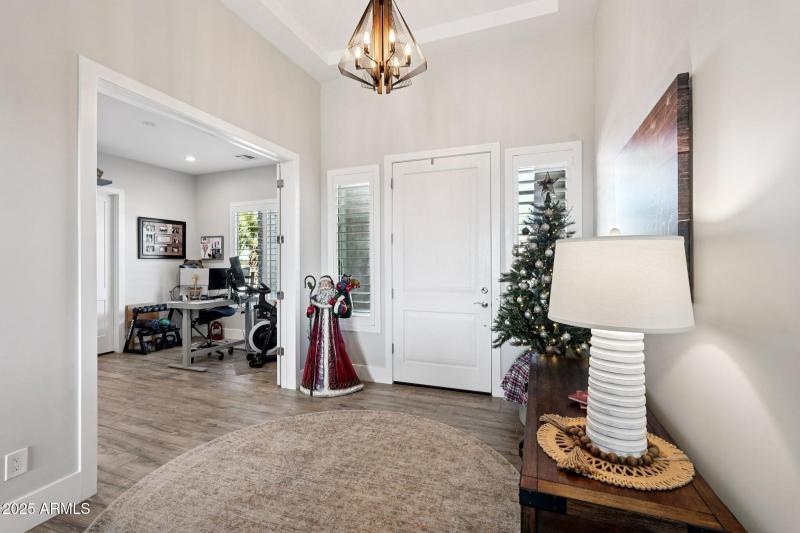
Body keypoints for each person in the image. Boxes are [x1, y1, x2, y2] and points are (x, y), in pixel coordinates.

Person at [300, 275, 363, 397]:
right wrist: (310, 312)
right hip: (318, 331)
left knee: (335, 351)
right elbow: (312, 312)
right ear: (320, 286)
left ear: (331, 285)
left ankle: (335, 385)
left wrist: (338, 305)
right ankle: (317, 385)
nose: (325, 286)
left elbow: (345, 311)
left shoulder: (336, 297)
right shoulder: (316, 298)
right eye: (322, 284)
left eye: (327, 284)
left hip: (332, 331)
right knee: (317, 353)